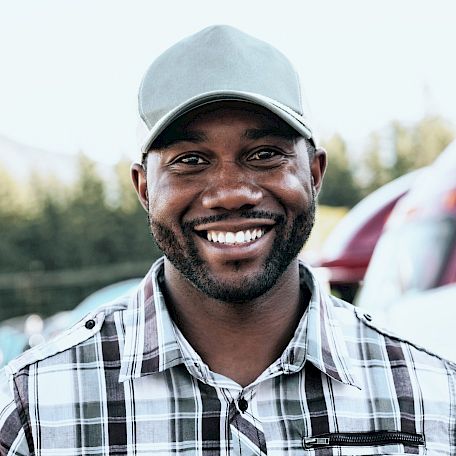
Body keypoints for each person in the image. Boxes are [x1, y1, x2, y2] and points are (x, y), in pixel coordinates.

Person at [1, 25, 455, 456]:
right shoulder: (32, 406)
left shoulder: (432, 392)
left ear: (314, 173)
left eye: (264, 155)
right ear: (143, 188)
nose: (232, 191)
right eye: (191, 159)